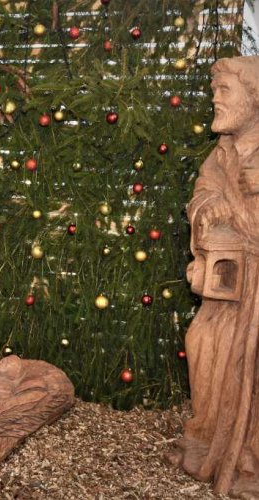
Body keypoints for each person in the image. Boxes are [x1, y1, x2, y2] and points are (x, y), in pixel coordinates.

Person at [169, 56, 259, 496]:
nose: (215, 100)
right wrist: (210, 207)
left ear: (254, 98)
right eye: (214, 90)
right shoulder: (221, 153)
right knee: (202, 340)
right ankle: (209, 437)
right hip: (230, 284)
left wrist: (247, 203)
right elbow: (200, 196)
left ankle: (249, 454)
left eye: (224, 90)